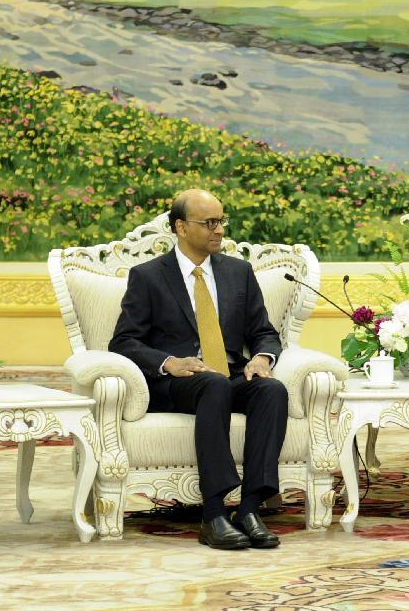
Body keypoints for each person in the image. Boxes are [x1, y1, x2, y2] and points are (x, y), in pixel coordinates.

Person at [109, 189, 288, 551]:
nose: (219, 230)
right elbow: (124, 341)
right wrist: (169, 363)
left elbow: (264, 333)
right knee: (213, 385)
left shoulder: (239, 272)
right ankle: (213, 513)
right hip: (178, 382)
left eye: (221, 221)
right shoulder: (148, 276)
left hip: (229, 374)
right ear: (180, 227)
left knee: (272, 390)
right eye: (209, 223)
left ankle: (250, 509)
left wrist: (262, 358)